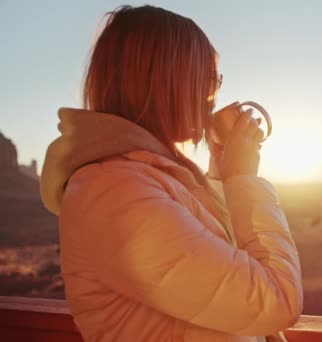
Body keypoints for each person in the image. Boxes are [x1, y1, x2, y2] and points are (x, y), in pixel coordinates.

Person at [39, 4, 302, 342]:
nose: (213, 97)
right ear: (168, 81)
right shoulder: (115, 193)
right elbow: (275, 300)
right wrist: (244, 180)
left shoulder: (143, 178)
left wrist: (222, 174)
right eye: (208, 80)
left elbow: (224, 269)